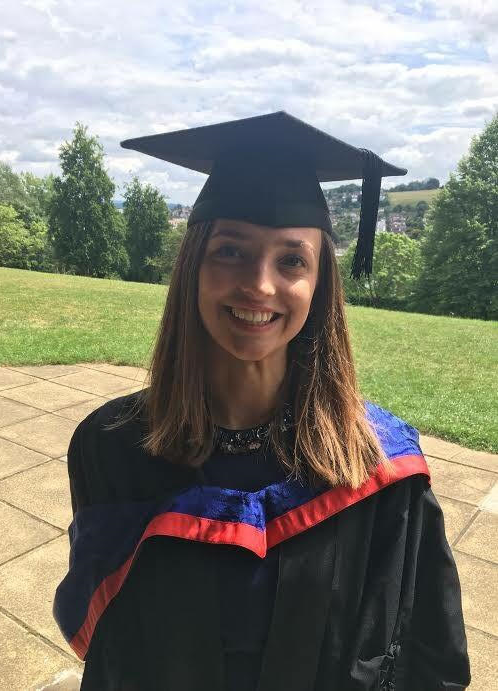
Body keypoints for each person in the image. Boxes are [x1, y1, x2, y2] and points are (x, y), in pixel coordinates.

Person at [53, 111, 471, 690]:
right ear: (192, 267)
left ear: (319, 283)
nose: (261, 284)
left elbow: (427, 653)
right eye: (230, 251)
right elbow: (109, 645)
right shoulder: (110, 445)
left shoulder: (378, 466)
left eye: (292, 259)